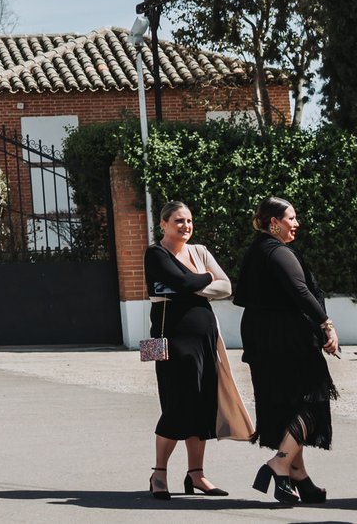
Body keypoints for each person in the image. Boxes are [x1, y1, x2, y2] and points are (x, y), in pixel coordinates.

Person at [235, 196, 338, 506]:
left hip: (263, 337)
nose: (297, 223)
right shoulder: (277, 252)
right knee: (314, 400)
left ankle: (298, 479)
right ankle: (279, 463)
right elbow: (301, 291)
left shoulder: (257, 250)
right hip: (286, 338)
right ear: (274, 223)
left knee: (288, 406)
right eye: (291, 218)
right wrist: (326, 324)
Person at [144, 199, 250, 498]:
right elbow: (182, 280)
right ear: (163, 224)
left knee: (203, 404)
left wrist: (191, 285)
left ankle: (197, 475)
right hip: (173, 340)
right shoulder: (156, 253)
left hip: (205, 338)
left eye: (189, 221)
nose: (185, 226)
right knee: (178, 405)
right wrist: (201, 282)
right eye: (178, 221)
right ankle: (159, 473)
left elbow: (227, 286)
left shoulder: (200, 251)